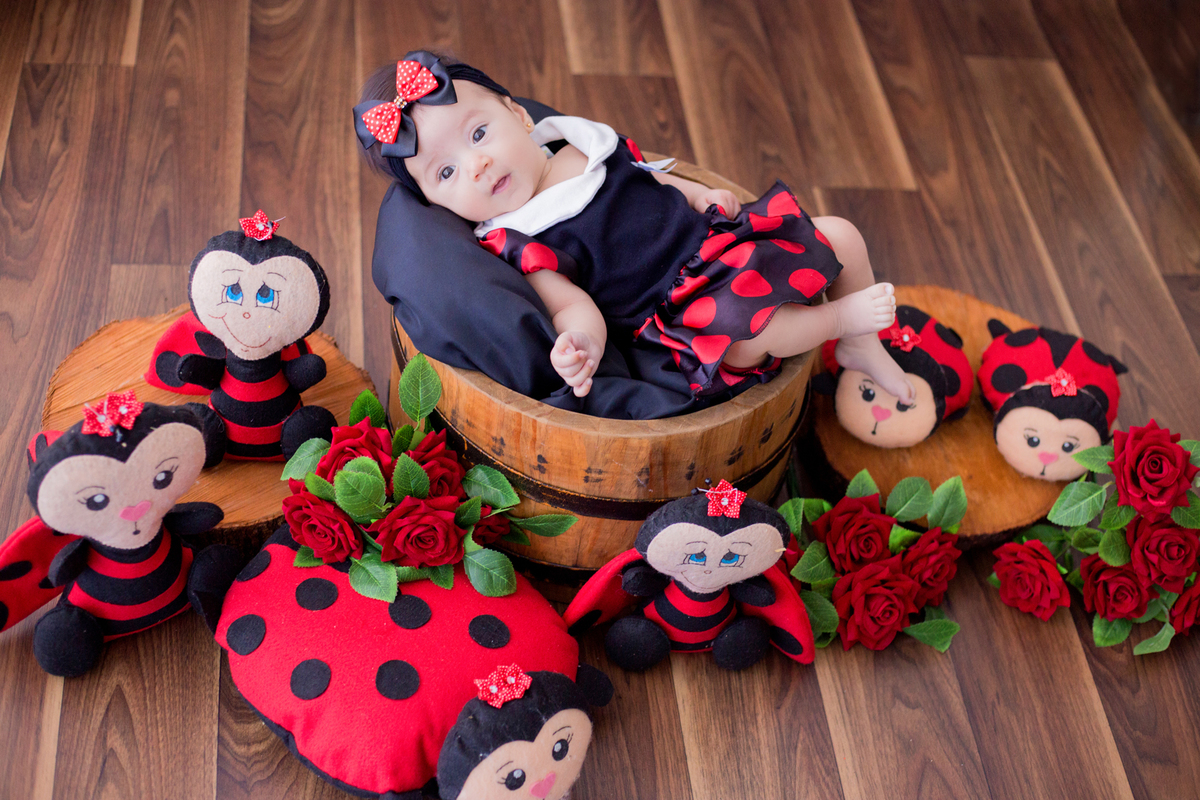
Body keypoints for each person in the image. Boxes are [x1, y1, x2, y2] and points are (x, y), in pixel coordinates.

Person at [355, 51, 911, 402]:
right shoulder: (519, 237)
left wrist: (701, 195)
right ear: (437, 203)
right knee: (751, 332)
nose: (475, 166)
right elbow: (573, 305)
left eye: (478, 135)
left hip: (719, 245)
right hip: (683, 310)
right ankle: (840, 318)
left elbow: (650, 181)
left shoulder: (581, 145)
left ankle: (862, 344)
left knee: (840, 234)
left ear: (519, 115)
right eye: (446, 173)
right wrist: (579, 346)